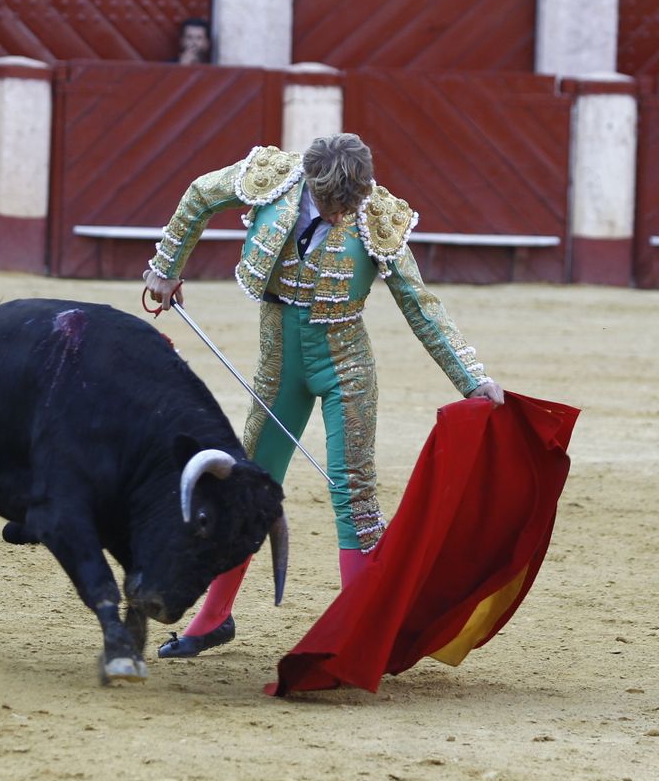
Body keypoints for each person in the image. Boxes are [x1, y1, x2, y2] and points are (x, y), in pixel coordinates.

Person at [143, 134, 505, 658]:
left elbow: (420, 305)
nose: (342, 215)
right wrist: (167, 266)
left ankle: (358, 636)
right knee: (245, 487)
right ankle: (213, 618)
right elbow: (201, 193)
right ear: (310, 180)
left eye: (349, 205)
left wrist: (472, 378)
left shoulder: (376, 215)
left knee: (354, 500)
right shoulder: (273, 178)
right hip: (279, 365)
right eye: (334, 204)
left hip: (345, 368)